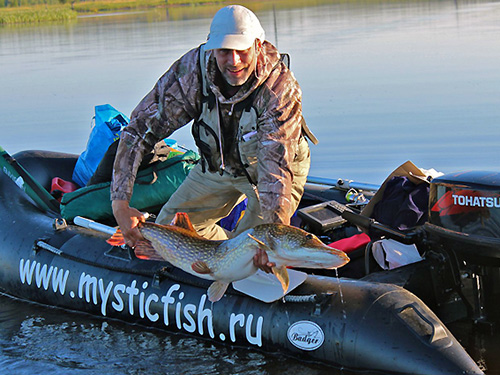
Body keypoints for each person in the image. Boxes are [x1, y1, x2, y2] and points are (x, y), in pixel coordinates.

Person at [111, 5, 317, 271]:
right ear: (212, 49)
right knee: (167, 233)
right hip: (217, 165)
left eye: (242, 51)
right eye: (224, 51)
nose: (233, 61)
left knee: (255, 252)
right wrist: (120, 204)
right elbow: (138, 131)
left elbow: (275, 172)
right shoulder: (191, 74)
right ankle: (221, 255)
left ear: (257, 44)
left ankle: (239, 259)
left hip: (266, 172)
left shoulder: (279, 89)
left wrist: (275, 237)